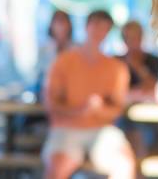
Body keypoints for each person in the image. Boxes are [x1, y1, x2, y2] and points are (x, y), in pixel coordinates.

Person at [42, 10, 134, 179]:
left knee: (125, 165)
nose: (99, 32)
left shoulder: (116, 68)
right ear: (86, 27)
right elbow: (50, 103)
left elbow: (117, 107)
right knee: (57, 168)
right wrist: (79, 111)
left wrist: (98, 110)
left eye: (104, 28)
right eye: (96, 26)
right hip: (66, 129)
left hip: (102, 130)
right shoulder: (63, 61)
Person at [117, 20, 158, 163]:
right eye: (128, 38)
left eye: (136, 37)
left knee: (140, 136)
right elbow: (117, 92)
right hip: (123, 117)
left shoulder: (153, 60)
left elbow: (152, 88)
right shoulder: (116, 61)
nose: (133, 42)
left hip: (149, 119)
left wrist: (136, 66)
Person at [35, 10, 75, 96]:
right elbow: (40, 75)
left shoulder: (76, 49)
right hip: (48, 94)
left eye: (63, 21)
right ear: (51, 25)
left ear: (69, 24)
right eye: (57, 21)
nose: (60, 26)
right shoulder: (44, 49)